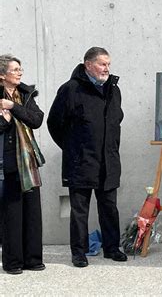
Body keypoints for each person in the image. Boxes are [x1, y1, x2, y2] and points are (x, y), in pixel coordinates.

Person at [47, 47, 127, 267]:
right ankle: (79, 253)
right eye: (102, 64)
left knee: (109, 206)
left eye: (108, 64)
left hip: (108, 160)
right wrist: (73, 148)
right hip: (81, 162)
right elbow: (54, 123)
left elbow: (116, 122)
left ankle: (112, 248)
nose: (107, 69)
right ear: (88, 64)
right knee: (80, 210)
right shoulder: (70, 90)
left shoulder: (113, 89)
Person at [0, 54, 45, 275]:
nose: (20, 72)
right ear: (2, 75)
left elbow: (36, 120)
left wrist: (13, 108)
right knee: (12, 213)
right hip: (7, 161)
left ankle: (33, 259)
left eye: (20, 68)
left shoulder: (25, 94)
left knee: (32, 211)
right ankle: (13, 262)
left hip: (28, 160)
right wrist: (4, 120)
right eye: (15, 69)